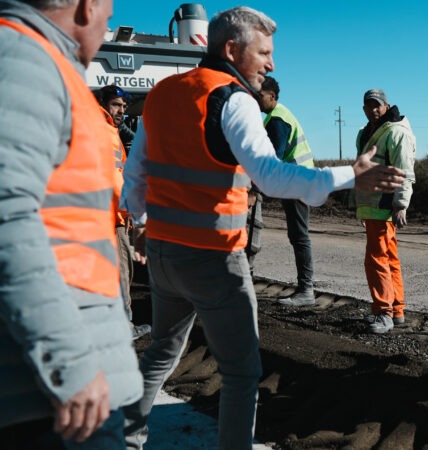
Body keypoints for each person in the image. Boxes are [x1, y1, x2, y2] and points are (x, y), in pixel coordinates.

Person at [119, 7, 404, 449]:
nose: (271, 64)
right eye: (264, 52)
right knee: (241, 373)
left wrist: (138, 222)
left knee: (161, 351)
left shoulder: (162, 94)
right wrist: (352, 174)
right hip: (214, 261)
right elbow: (272, 177)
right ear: (231, 49)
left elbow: (136, 173)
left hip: (163, 255)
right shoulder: (232, 99)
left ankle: (125, 439)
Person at [0, 0, 143, 448]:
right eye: (109, 11)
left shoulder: (38, 63)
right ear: (86, 7)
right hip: (54, 390)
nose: (108, 23)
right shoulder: (25, 63)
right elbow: (9, 217)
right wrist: (71, 363)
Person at [356, 88, 416, 334]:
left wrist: (401, 203)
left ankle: (383, 312)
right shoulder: (369, 132)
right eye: (368, 106)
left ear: (387, 105)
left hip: (384, 206)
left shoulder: (395, 132)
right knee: (389, 258)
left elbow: (404, 170)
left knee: (377, 260)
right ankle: (396, 309)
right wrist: (361, 208)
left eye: (377, 105)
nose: (373, 110)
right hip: (373, 206)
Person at [96, 84, 151, 340]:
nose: (121, 110)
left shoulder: (109, 129)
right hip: (109, 216)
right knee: (122, 270)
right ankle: (124, 328)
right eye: (116, 105)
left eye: (124, 107)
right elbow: (111, 178)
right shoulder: (102, 130)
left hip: (111, 214)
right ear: (104, 102)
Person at [257, 76, 316, 306]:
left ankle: (306, 291)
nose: (256, 100)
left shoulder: (277, 120)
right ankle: (305, 289)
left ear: (271, 95)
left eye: (259, 95)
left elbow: (274, 159)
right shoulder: (278, 115)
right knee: (297, 235)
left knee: (300, 236)